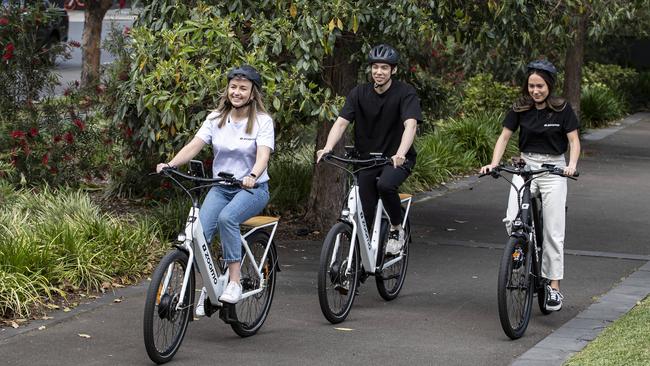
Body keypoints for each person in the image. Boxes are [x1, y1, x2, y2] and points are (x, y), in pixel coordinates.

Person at [156, 65, 274, 315]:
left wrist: (253, 175)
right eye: (233, 87)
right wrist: (171, 164)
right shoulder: (215, 118)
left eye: (243, 88)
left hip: (253, 189)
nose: (237, 92)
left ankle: (234, 281)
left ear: (252, 93)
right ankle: (212, 287)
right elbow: (194, 145)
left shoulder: (263, 121)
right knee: (196, 234)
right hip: (221, 187)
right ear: (227, 90)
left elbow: (263, 155)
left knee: (227, 219)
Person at [480, 60, 580, 311]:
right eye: (532, 86)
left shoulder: (562, 109)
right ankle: (520, 250)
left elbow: (574, 141)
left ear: (550, 86)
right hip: (526, 165)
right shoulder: (520, 108)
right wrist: (493, 163)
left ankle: (553, 287)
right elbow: (504, 137)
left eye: (541, 86)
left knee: (554, 231)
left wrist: (571, 165)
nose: (535, 91)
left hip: (554, 168)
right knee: (512, 218)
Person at [316, 44, 422, 255]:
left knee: (385, 185)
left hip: (396, 159)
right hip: (367, 160)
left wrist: (400, 153)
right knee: (366, 208)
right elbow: (341, 123)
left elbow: (410, 125)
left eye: (384, 68)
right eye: (375, 67)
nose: (379, 72)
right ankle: (364, 257)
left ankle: (395, 228)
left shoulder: (405, 93)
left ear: (394, 70)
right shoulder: (359, 93)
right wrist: (327, 147)